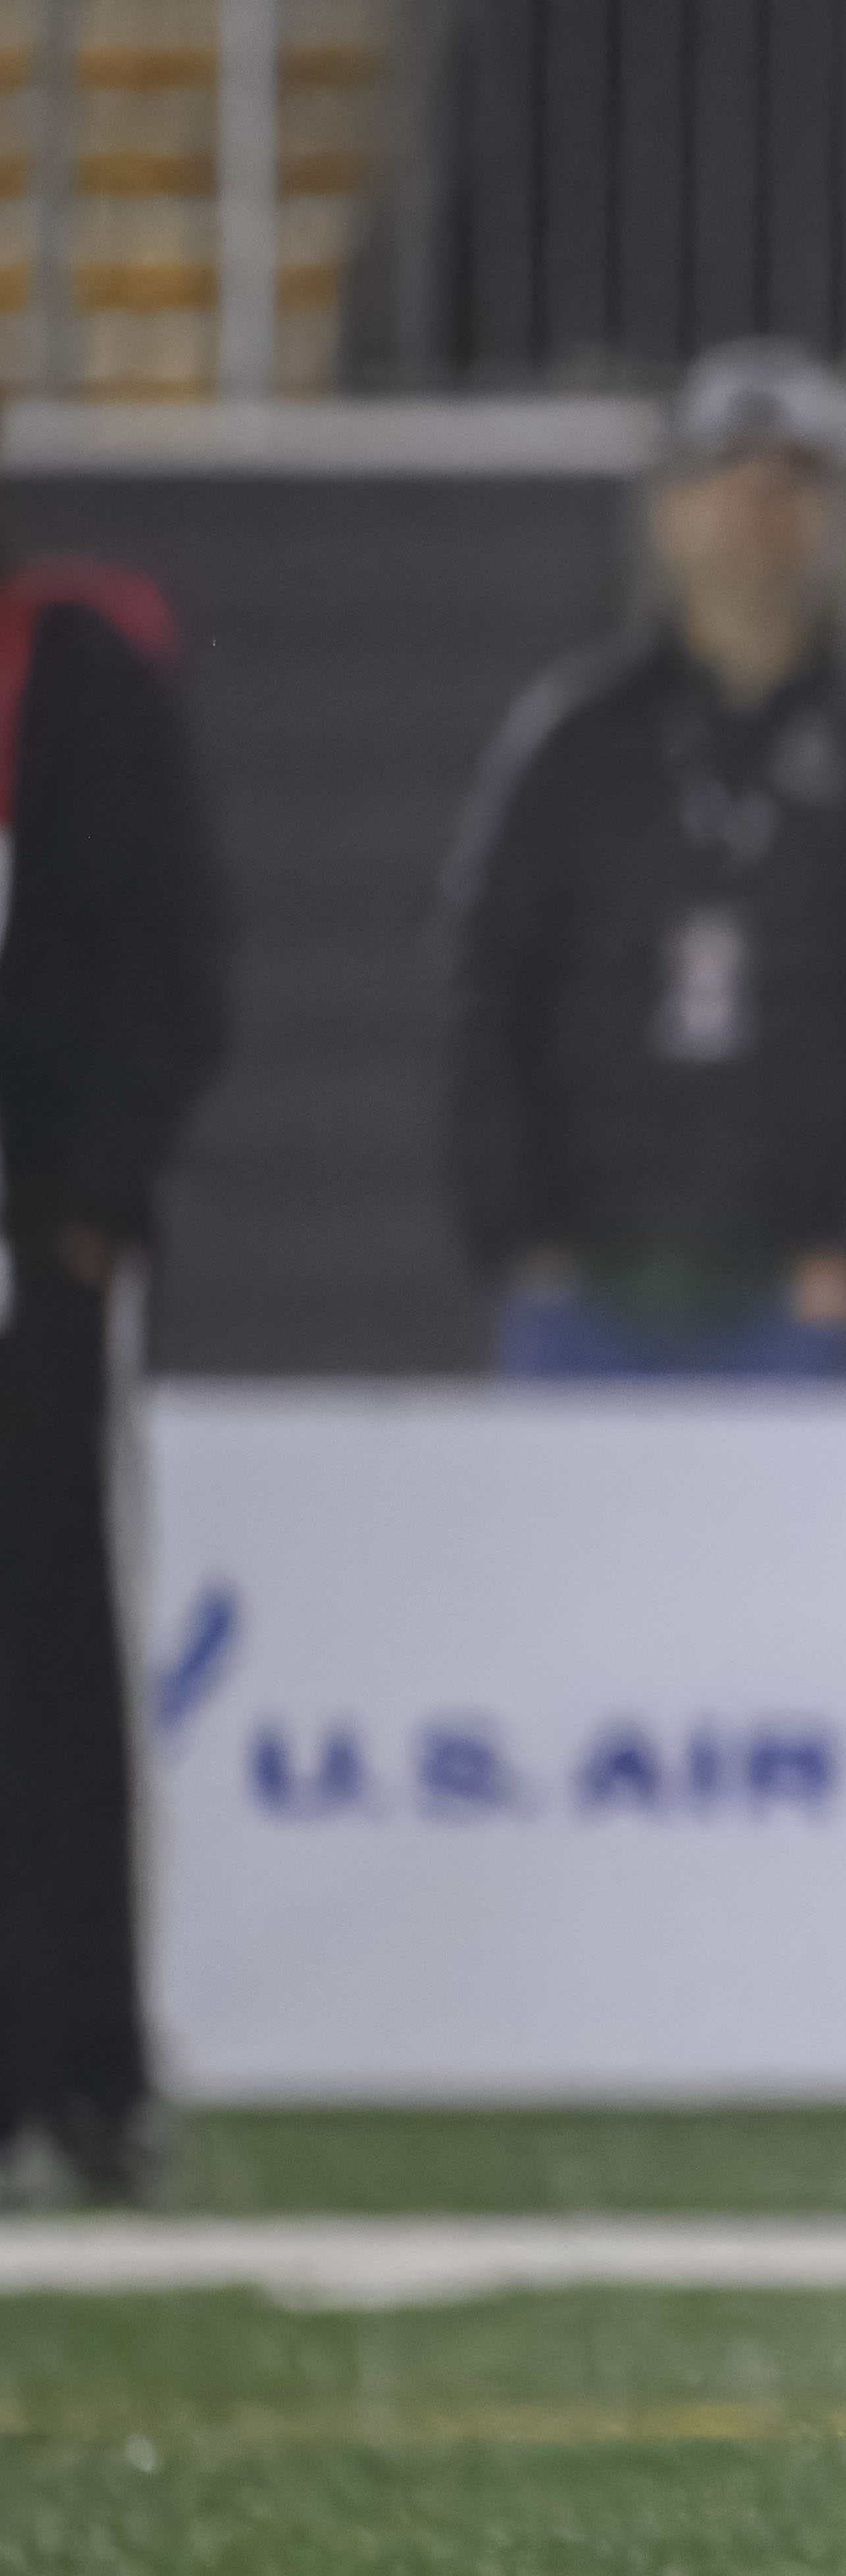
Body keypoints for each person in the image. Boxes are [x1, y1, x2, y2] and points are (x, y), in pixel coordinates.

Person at [440, 342, 846, 1378]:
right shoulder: (575, 748)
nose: (757, 519)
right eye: (728, 485)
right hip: (590, 1299)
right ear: (668, 510)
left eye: (789, 488)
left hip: (800, 1312)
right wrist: (518, 1240)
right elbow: (486, 992)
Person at [0, 540, 229, 2204]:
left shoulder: (70, 656)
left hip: (27, 1244)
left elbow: (167, 937)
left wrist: (94, 1191)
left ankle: (76, 2064)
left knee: (50, 1643)